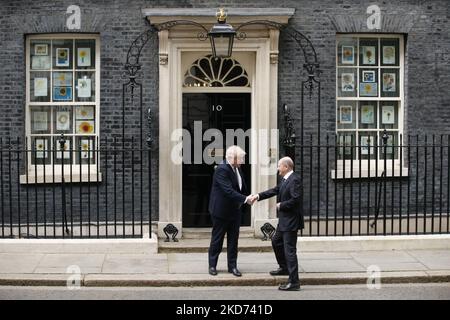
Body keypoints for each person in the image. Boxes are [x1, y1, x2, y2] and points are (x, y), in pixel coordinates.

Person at [251, 157, 303, 291]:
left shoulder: (295, 180)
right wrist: (258, 196)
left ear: (286, 167)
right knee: (276, 241)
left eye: (279, 166)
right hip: (284, 221)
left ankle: (294, 282)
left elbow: (296, 200)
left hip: (291, 221)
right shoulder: (285, 179)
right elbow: (274, 190)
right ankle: (284, 268)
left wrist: (281, 205)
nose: (278, 168)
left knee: (290, 251)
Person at [208, 145, 254, 277]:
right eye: (241, 158)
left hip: (235, 211)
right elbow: (228, 191)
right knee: (217, 239)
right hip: (221, 211)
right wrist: (245, 199)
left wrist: (247, 198)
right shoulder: (222, 169)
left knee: (233, 240)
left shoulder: (237, 169)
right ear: (232, 158)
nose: (243, 160)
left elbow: (241, 187)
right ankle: (212, 265)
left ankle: (232, 266)